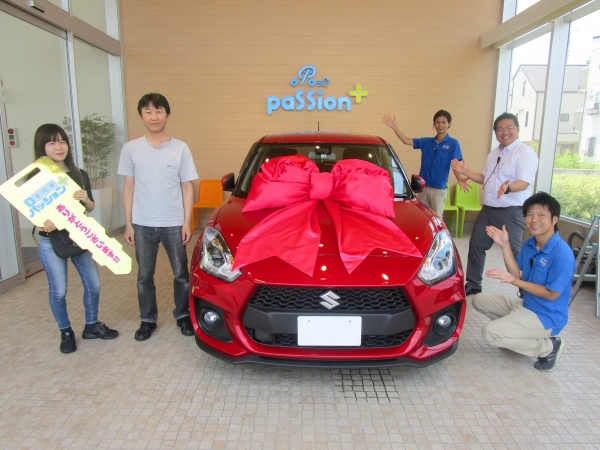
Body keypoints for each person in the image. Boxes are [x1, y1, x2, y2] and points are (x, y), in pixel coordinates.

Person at [118, 93, 198, 341]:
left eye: (159, 111)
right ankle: (147, 319)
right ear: (141, 116)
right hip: (142, 223)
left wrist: (187, 221)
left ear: (167, 115)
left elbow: (187, 186)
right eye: (148, 112)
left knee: (181, 273)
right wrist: (128, 224)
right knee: (144, 275)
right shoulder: (131, 149)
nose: (154, 117)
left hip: (173, 222)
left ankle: (183, 315)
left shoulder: (180, 148)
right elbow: (129, 187)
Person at [34, 124, 118, 354]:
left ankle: (91, 325)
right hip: (51, 241)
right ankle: (66, 331)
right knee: (58, 290)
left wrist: (86, 199)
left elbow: (89, 207)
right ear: (42, 147)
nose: (59, 147)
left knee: (94, 284)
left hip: (79, 237)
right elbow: (33, 212)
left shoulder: (79, 174)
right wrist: (43, 223)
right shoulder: (37, 177)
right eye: (52, 142)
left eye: (62, 141)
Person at [472, 192, 575, 372]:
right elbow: (516, 274)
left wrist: (514, 282)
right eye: (529, 214)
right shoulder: (530, 243)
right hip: (526, 305)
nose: (534, 220)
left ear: (554, 219)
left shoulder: (562, 254)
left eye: (541, 215)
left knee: (490, 333)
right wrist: (505, 245)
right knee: (478, 300)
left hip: (546, 316)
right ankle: (514, 336)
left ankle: (549, 347)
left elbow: (552, 294)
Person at [451, 112, 539, 296]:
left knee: (514, 252)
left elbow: (524, 182)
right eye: (500, 129)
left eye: (509, 128)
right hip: (488, 210)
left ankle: (526, 290)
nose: (505, 132)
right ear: (496, 133)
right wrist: (465, 172)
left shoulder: (525, 153)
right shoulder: (494, 153)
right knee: (476, 245)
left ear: (517, 129)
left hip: (512, 211)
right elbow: (486, 178)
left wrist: (508, 188)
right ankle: (474, 283)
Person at [382, 110, 466, 217]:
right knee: (422, 217)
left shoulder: (453, 143)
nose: (440, 125)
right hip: (423, 189)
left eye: (443, 122)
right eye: (437, 122)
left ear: (449, 124)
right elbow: (406, 140)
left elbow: (456, 164)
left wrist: (459, 178)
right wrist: (394, 127)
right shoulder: (426, 142)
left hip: (439, 190)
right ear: (434, 124)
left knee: (436, 219)